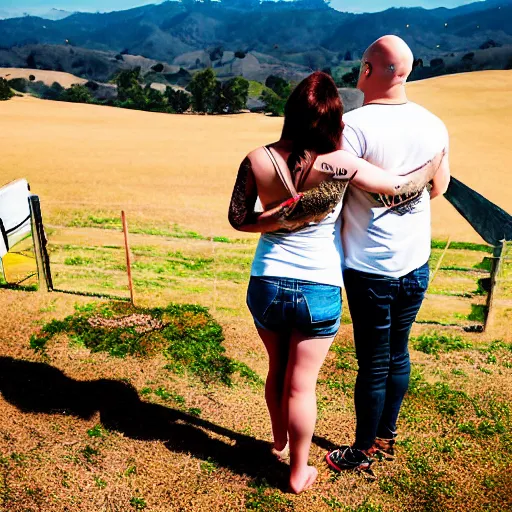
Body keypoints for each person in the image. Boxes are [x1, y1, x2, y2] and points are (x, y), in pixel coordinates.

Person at [228, 71, 443, 494]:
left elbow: (238, 219)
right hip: (319, 287)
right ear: (333, 119)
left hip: (267, 281)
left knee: (277, 369)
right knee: (302, 384)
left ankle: (277, 439)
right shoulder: (339, 162)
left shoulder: (256, 158)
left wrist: (275, 218)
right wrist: (432, 165)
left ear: (290, 112)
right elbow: (397, 188)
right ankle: (297, 471)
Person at [325, 36, 451, 473]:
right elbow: (439, 187)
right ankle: (387, 436)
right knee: (399, 353)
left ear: (366, 70)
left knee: (373, 361)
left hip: (369, 265)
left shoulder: (353, 126)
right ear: (408, 72)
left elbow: (333, 195)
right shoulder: (434, 124)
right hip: (416, 262)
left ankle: (362, 450)